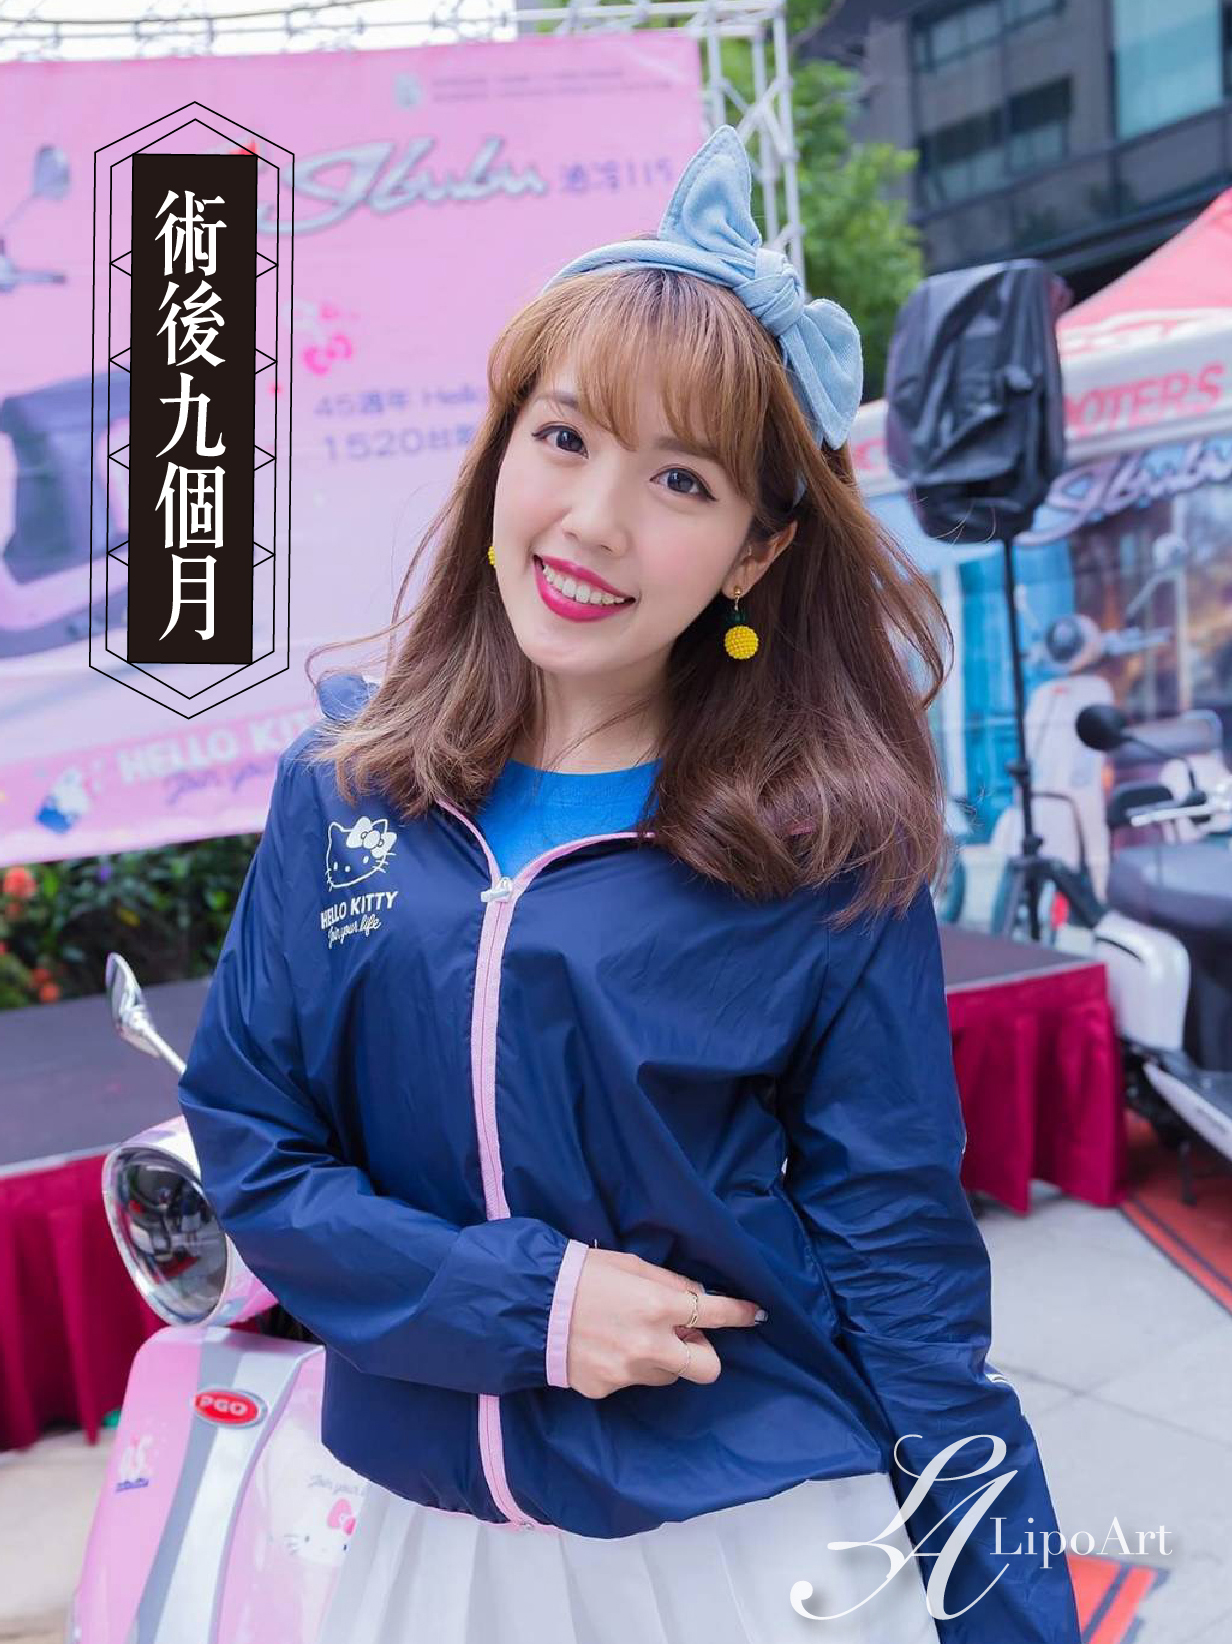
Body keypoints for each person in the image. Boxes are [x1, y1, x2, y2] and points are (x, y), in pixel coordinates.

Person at [177, 125, 1082, 1643]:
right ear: (500, 451)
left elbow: (904, 1273)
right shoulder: (341, 792)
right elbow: (256, 1155)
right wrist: (526, 1306)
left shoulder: (822, 851)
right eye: (565, 438)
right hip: (431, 1549)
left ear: (752, 553)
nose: (595, 520)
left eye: (679, 477)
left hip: (744, 1547)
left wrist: (1010, 1611)